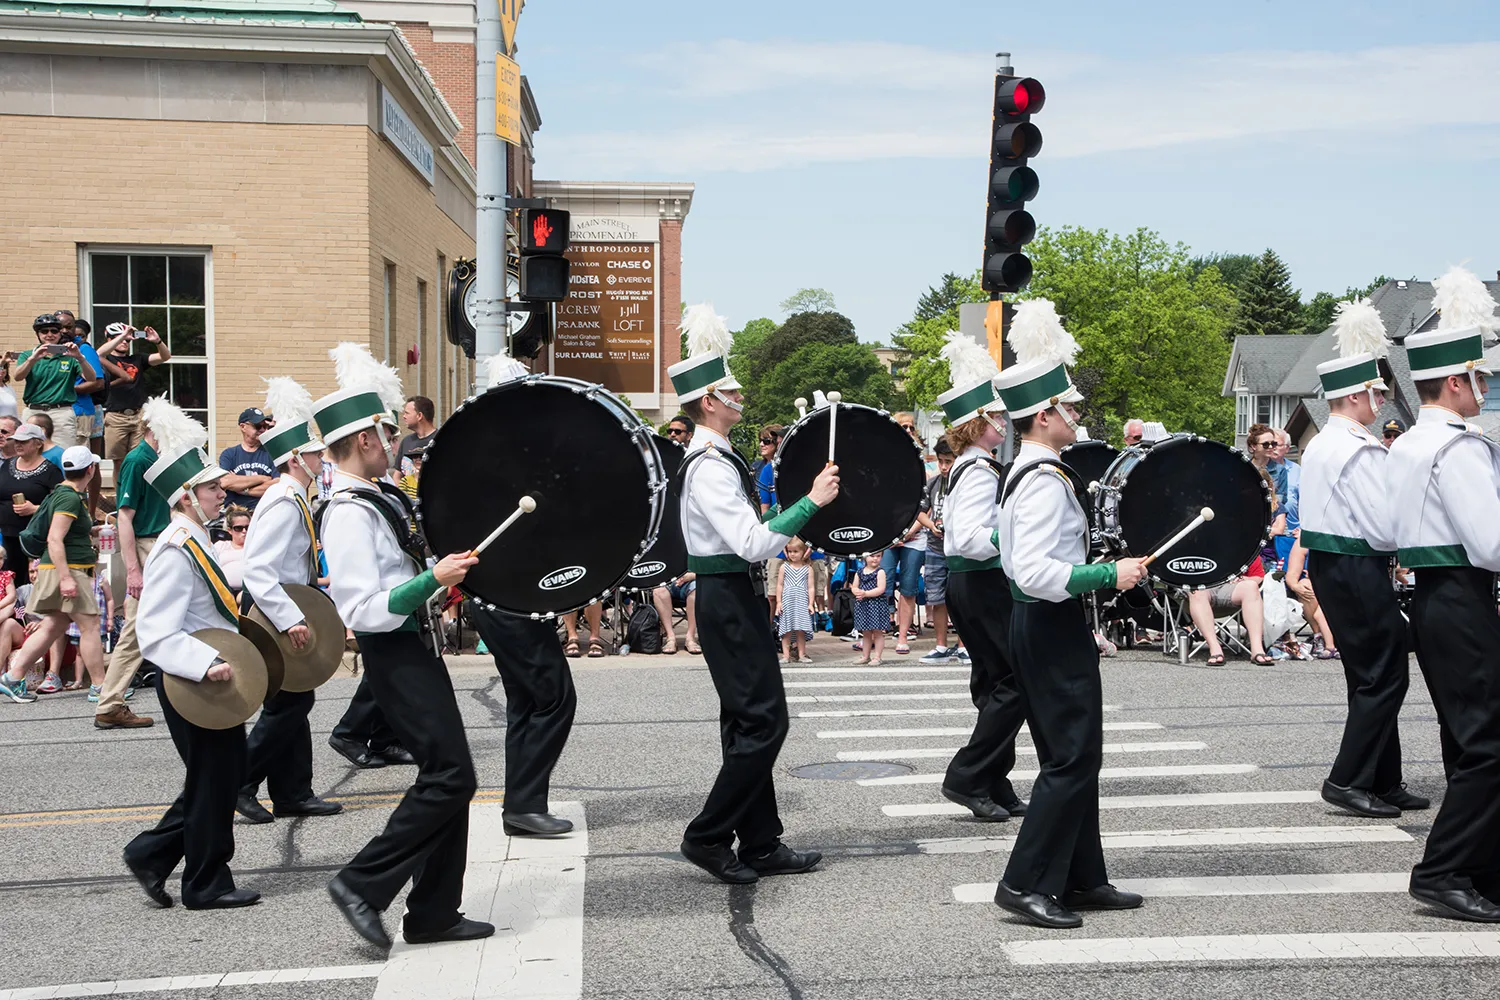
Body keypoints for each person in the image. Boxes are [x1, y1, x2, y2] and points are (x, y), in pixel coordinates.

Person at [314, 342, 490, 950]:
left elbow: (398, 580)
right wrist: (430, 582)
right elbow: (360, 609)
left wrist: (436, 578)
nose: (393, 441)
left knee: (452, 777)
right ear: (365, 438)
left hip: (415, 645)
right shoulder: (347, 510)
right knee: (449, 777)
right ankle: (364, 883)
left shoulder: (374, 495)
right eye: (386, 432)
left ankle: (434, 912)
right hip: (395, 654)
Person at [668, 303, 839, 885]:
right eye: (732, 390)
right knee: (765, 723)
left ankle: (762, 843)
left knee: (748, 724)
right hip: (726, 594)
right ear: (709, 402)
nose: (742, 396)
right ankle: (708, 835)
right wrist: (812, 500)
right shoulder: (710, 465)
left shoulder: (718, 458)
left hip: (731, 597)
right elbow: (749, 542)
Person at [993, 298, 1149, 929]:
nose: (1079, 415)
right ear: (1045, 415)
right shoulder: (1040, 480)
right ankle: (1024, 883)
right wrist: (1108, 573)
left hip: (1044, 624)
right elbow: (1032, 571)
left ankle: (1082, 877)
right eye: (1071, 407)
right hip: (1047, 622)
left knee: (1076, 753)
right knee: (1071, 758)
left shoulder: (1035, 473)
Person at [1385, 268, 1500, 922]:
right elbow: (1489, 544)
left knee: (1470, 741)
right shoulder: (1456, 449)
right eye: (1479, 379)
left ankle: (1479, 869)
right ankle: (1446, 870)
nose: (1483, 390)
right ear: (1454, 381)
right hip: (1462, 592)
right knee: (1488, 745)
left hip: (1432, 597)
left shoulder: (1409, 444)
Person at [122, 410, 260, 911]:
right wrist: (203, 664)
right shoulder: (176, 548)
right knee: (215, 777)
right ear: (185, 497)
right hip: (192, 678)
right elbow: (155, 630)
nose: (220, 493)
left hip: (207, 674)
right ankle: (205, 882)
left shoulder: (197, 539)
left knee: (218, 774)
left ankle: (152, 854)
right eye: (210, 490)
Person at [1300, 299, 1422, 822]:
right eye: (1375, 392)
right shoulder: (1359, 447)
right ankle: (1349, 780)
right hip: (1356, 565)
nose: (1381, 401)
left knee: (1367, 674)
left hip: (1334, 565)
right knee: (1385, 675)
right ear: (1354, 395)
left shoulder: (1323, 444)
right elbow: (1382, 523)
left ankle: (1382, 777)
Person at [236, 378, 343, 826]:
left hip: (285, 602)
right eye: (316, 454)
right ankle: (240, 783)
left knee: (297, 697)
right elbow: (258, 569)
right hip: (273, 611)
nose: (322, 459)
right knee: (287, 704)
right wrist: (289, 618)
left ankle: (293, 790)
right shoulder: (283, 500)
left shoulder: (293, 495)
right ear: (297, 459)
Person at [932, 331, 1027, 823]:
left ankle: (995, 779)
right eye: (996, 416)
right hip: (981, 580)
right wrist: (1013, 537)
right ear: (978, 424)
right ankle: (968, 776)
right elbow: (966, 538)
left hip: (974, 583)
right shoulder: (980, 471)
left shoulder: (972, 468)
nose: (1004, 421)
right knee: (1015, 682)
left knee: (995, 684)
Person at [0, 446, 106, 704]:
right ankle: (103, 688)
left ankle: (13, 677)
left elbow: (61, 534)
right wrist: (67, 577)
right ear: (90, 470)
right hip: (68, 569)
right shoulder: (69, 497)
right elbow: (55, 538)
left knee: (52, 627)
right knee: (89, 625)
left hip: (57, 568)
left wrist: (91, 532)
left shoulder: (61, 494)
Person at [92, 407, 174, 731]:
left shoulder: (162, 458)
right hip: (147, 545)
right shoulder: (138, 459)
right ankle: (109, 702)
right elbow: (125, 517)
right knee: (137, 627)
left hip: (163, 543)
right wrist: (133, 570)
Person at [471, 601, 580, 836]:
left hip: (499, 605)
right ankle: (523, 805)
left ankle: (520, 808)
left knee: (526, 704)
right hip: (512, 605)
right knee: (555, 700)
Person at [12, 313, 96, 448]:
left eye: (54, 331)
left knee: (63, 454)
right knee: (30, 451)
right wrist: (33, 359)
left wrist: (80, 358)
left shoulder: (70, 356)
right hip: (34, 410)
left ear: (60, 333)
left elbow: (92, 378)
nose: (49, 335)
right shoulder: (28, 355)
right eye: (44, 331)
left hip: (61, 412)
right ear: (38, 334)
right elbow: (18, 376)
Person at [0, 422, 62, 588]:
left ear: (38, 443)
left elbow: (62, 504)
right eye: (16, 441)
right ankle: (17, 613)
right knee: (12, 580)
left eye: (24, 441)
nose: (18, 444)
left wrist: (35, 509)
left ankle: (33, 613)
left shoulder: (50, 471)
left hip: (35, 538)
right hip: (7, 535)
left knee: (34, 580)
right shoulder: (8, 465)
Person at [918, 439, 963, 663]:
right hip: (935, 548)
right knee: (937, 598)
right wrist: (932, 526)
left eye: (948, 462)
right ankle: (941, 645)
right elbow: (920, 512)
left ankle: (964, 646)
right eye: (941, 462)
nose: (944, 467)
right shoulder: (934, 483)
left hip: (958, 549)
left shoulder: (965, 483)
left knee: (961, 598)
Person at [99, 323, 170, 465]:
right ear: (109, 339)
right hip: (116, 416)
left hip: (138, 415)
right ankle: (120, 488)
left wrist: (157, 341)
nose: (125, 342)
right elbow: (98, 354)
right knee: (119, 462)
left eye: (128, 340)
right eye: (119, 338)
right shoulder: (106, 360)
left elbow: (165, 356)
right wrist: (123, 335)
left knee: (138, 458)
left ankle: (135, 488)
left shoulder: (137, 359)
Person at [1185, 559, 1271, 665]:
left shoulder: (1242, 544)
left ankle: (1257, 649)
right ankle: (1214, 648)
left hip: (1230, 586)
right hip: (1197, 587)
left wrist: (1245, 579)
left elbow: (1258, 576)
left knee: (1251, 587)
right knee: (1196, 590)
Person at [1283, 534, 1338, 659]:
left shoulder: (1338, 539)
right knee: (1305, 585)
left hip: (1335, 583)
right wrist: (1296, 586)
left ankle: (1331, 640)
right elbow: (1291, 576)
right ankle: (1319, 636)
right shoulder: (1303, 542)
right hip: (1312, 586)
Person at [218, 408, 276, 512]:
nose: (263, 430)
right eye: (258, 426)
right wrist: (262, 478)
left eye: (265, 426)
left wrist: (243, 490)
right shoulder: (229, 454)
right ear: (243, 427)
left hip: (264, 512)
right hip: (234, 516)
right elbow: (225, 482)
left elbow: (276, 484)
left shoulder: (272, 453)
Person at [778, 538, 815, 664]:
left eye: (796, 551)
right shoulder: (784, 567)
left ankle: (802, 654)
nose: (792, 554)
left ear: (804, 552)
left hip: (801, 602)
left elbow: (811, 587)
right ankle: (786, 655)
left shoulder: (808, 569)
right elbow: (780, 585)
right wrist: (779, 602)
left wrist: (810, 603)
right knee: (786, 630)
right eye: (790, 551)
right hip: (788, 601)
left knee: (801, 630)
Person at [849, 550, 888, 665]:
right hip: (863, 605)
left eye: (878, 556)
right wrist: (856, 591)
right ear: (865, 557)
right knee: (866, 632)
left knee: (877, 632)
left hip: (876, 605)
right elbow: (854, 586)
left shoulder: (880, 572)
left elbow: (881, 589)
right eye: (872, 556)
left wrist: (865, 593)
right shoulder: (859, 572)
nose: (875, 559)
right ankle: (865, 656)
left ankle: (877, 657)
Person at [211, 505, 251, 594]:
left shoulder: (256, 547)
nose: (244, 531)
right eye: (238, 528)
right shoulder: (221, 546)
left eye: (247, 527)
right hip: (223, 592)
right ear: (230, 530)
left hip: (249, 592)